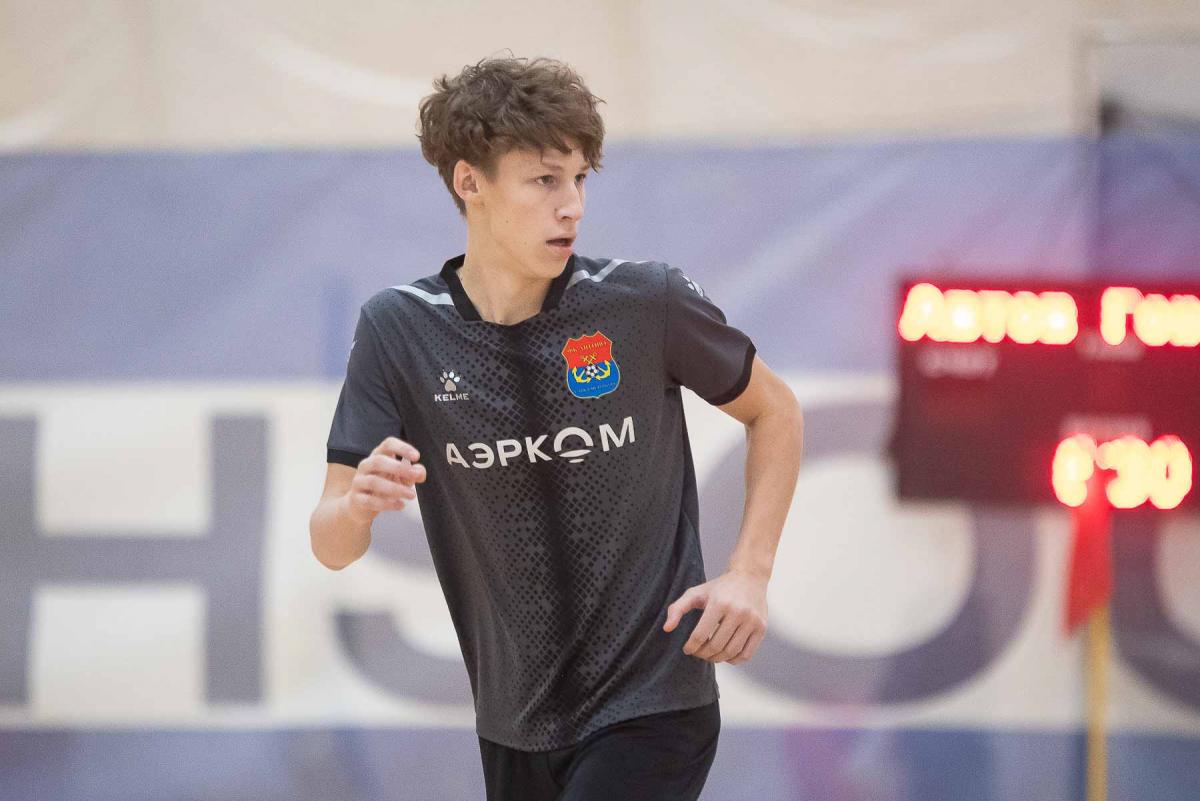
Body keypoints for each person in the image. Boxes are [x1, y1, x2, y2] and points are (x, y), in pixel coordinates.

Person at [309, 55, 804, 801]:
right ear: (469, 182)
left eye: (579, 179)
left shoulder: (644, 302)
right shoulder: (398, 328)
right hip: (513, 724)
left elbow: (776, 409)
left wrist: (751, 573)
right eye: (544, 180)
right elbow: (331, 545)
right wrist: (354, 507)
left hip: (651, 704)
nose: (571, 205)